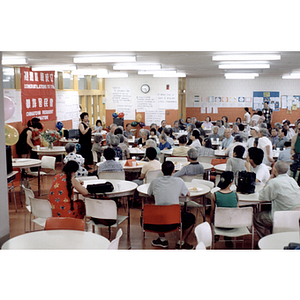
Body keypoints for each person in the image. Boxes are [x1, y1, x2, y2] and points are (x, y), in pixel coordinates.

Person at [147, 161, 195, 249]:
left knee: (153, 212)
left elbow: (149, 193)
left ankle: (162, 239)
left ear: (161, 170)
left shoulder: (154, 181)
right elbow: (187, 193)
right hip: (174, 219)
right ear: (174, 171)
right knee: (191, 218)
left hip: (156, 220)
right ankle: (181, 241)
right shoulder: (179, 181)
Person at [253, 161, 300, 239]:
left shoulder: (274, 182)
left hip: (281, 216)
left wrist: (268, 181)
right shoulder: (292, 181)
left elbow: (262, 196)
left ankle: (267, 240)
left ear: (274, 170)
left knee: (257, 218)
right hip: (296, 216)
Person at [210, 171, 239, 248]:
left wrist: (211, 222)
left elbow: (212, 211)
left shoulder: (214, 195)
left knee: (217, 214)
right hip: (232, 224)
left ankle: (216, 235)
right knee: (229, 214)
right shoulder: (236, 195)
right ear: (231, 182)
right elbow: (237, 211)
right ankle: (228, 238)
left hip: (219, 224)